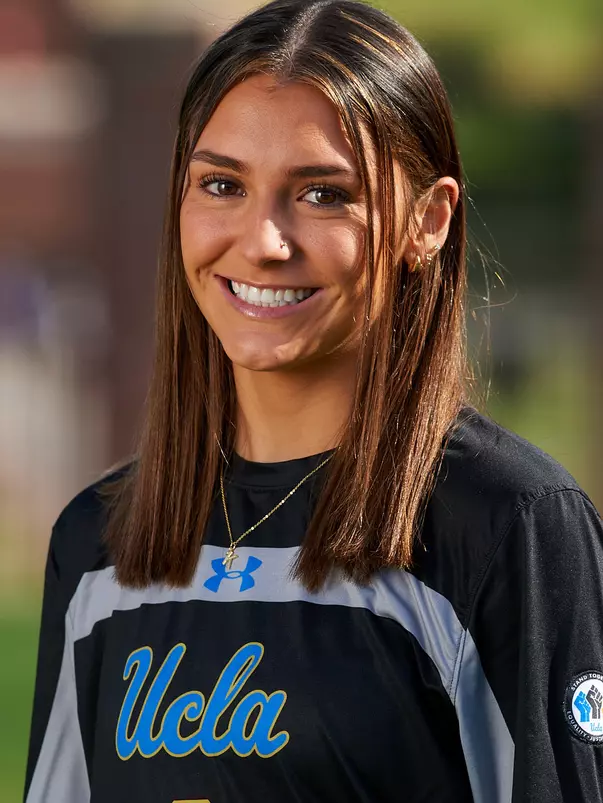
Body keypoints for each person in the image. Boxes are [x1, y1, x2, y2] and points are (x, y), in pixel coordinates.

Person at [24, 0, 603, 801]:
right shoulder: (97, 544)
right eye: (221, 184)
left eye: (323, 194)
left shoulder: (507, 524)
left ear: (427, 221)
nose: (263, 241)